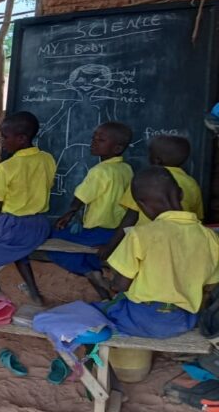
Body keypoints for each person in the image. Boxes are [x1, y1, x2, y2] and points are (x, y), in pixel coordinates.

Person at [101, 166, 219, 338]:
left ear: (140, 205)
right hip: (184, 320)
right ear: (180, 194)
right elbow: (210, 285)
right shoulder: (209, 237)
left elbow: (121, 285)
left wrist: (112, 284)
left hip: (142, 319)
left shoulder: (139, 235)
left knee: (99, 310)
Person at [0, 112, 56, 305]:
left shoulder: (7, 167)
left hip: (13, 225)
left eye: (5, 137)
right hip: (39, 226)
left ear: (22, 139)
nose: (2, 141)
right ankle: (34, 292)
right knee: (18, 251)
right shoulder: (47, 159)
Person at [48, 122, 134, 298]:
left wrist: (69, 214)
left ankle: (90, 272)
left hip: (98, 231)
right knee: (81, 250)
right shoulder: (127, 169)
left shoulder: (100, 171)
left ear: (117, 148)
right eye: (93, 138)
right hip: (117, 232)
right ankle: (101, 290)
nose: (93, 142)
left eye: (101, 140)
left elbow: (82, 196)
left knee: (54, 243)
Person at [100, 134, 203, 259]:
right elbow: (198, 218)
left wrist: (110, 247)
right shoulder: (192, 184)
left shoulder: (146, 181)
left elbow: (131, 216)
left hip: (145, 242)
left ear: (157, 160)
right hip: (179, 246)